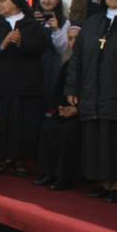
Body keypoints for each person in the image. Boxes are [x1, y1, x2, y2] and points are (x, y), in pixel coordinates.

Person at [65, 0, 117, 203]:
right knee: (96, 139)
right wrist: (72, 87)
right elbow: (77, 58)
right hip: (92, 91)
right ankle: (104, 182)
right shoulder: (93, 22)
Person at [0, 0, 50, 176]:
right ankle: (1, 158)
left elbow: (40, 47)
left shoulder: (32, 25)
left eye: (3, 0)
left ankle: (20, 159)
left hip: (25, 83)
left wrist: (21, 42)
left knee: (23, 120)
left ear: (16, 2)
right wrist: (2, 44)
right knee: (2, 119)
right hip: (0, 82)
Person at [35, 25, 81, 191]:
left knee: (68, 131)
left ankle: (64, 177)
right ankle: (48, 173)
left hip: (82, 113)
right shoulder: (68, 64)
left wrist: (77, 109)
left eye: (76, 39)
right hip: (64, 110)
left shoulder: (91, 64)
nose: (72, 42)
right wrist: (59, 107)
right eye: (69, 39)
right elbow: (58, 90)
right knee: (49, 127)